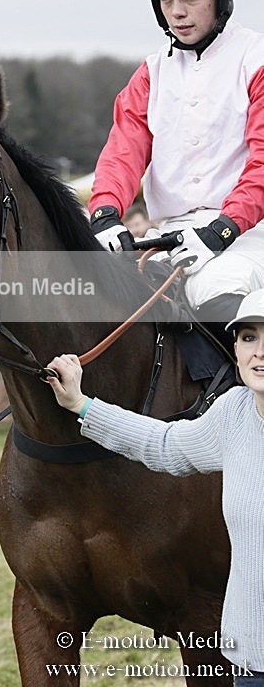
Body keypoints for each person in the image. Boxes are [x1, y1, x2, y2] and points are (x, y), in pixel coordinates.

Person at [45, 287, 264, 686]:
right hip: (249, 658)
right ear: (236, 347)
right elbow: (161, 444)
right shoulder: (232, 415)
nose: (259, 352)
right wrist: (82, 405)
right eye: (249, 337)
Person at [89, 0, 264, 328]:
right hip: (173, 236)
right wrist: (104, 214)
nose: (177, 12)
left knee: (213, 287)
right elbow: (122, 153)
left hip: (249, 234)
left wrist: (224, 229)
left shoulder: (255, 60)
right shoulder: (151, 73)